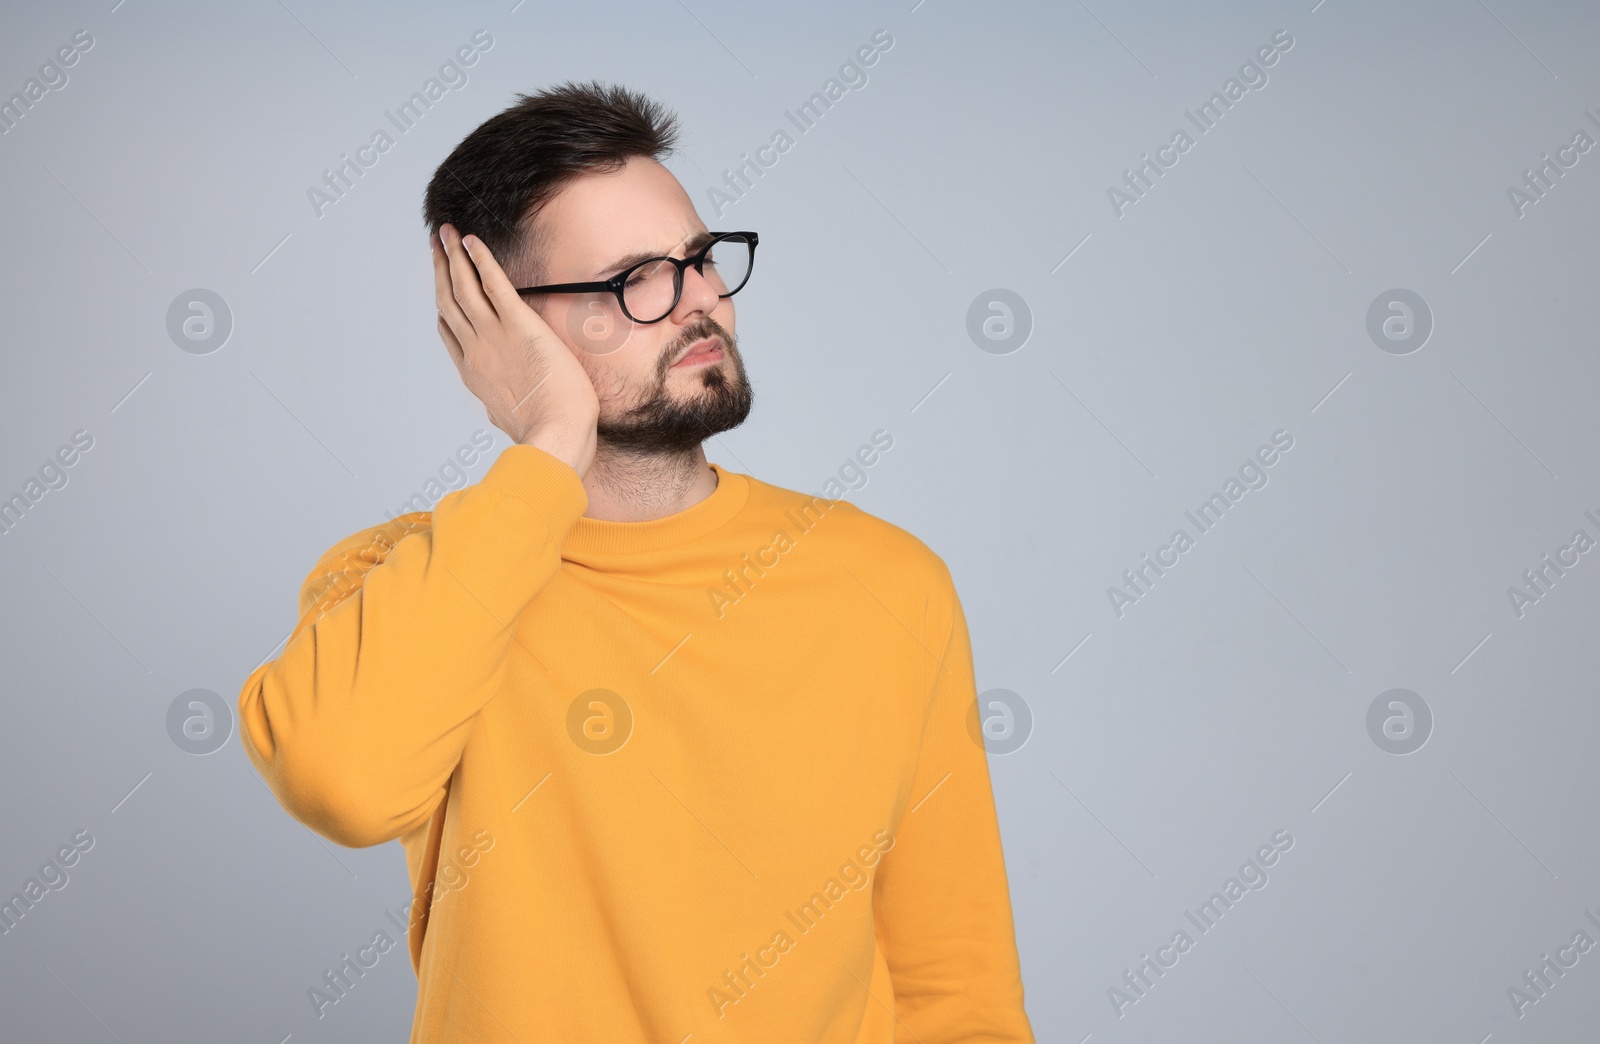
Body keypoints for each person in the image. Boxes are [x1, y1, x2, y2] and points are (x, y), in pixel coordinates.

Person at [238, 79, 1033, 1043]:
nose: (699, 301)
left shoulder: (889, 580)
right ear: (499, 325)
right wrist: (547, 442)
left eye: (699, 260)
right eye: (636, 280)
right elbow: (341, 784)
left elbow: (957, 988)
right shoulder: (408, 577)